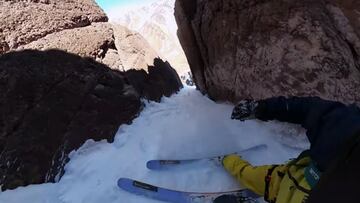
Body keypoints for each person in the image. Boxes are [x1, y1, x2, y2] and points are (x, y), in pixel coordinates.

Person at [220, 96, 360, 203]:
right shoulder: (347, 126)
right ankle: (225, 158)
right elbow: (310, 109)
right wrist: (262, 108)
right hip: (287, 179)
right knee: (248, 173)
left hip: (292, 185)